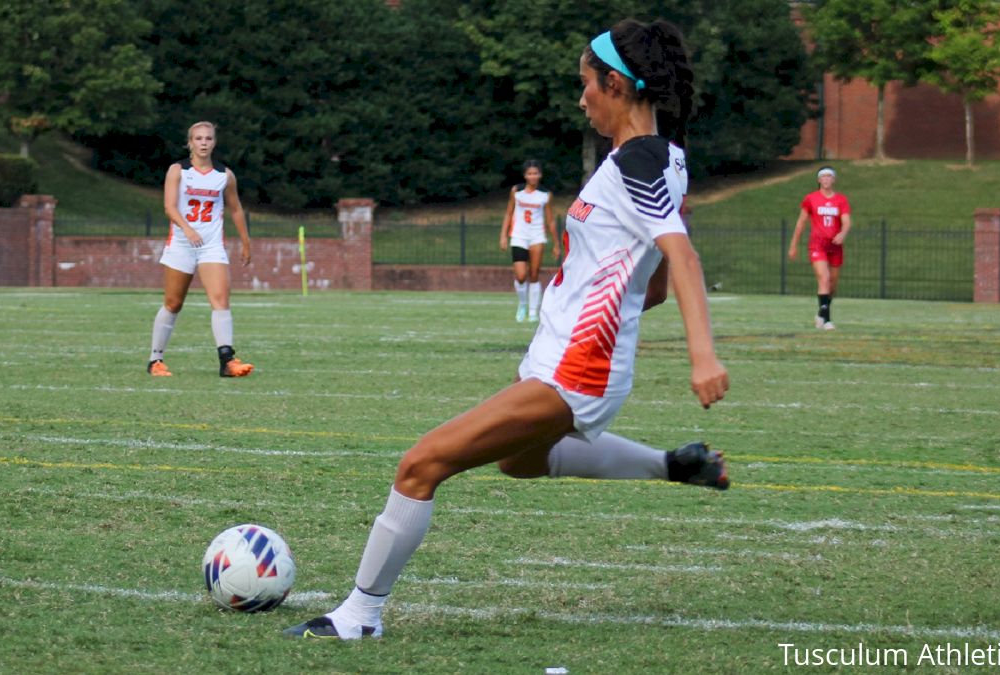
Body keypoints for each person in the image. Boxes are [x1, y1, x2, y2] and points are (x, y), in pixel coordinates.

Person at [285, 18, 729, 641]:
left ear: (617, 85)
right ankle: (671, 465)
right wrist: (616, 313)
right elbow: (650, 281)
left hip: (576, 368)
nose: (581, 99)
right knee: (521, 463)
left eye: (586, 84)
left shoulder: (641, 162)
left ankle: (358, 616)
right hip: (570, 360)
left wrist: (702, 357)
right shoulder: (662, 159)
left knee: (421, 465)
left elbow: (680, 258)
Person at [146, 121, 254, 378]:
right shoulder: (178, 170)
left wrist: (246, 242)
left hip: (211, 246)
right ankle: (155, 360)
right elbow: (169, 207)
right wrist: (188, 228)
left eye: (208, 138)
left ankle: (227, 360)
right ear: (190, 142)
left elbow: (236, 208)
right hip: (182, 244)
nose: (203, 142)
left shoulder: (224, 175)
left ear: (214, 142)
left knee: (221, 301)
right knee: (173, 303)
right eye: (198, 138)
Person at [788, 166, 852, 330]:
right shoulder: (811, 199)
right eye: (823, 176)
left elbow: (846, 221)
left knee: (832, 285)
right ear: (818, 180)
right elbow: (801, 222)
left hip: (835, 247)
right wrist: (793, 245)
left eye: (829, 176)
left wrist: (843, 233)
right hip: (818, 245)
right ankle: (827, 320)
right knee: (823, 279)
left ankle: (821, 313)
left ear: (834, 180)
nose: (826, 179)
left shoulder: (841, 200)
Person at [499, 160, 560, 322]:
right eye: (529, 173)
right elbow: (508, 213)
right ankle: (523, 304)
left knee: (534, 274)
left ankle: (533, 311)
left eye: (535, 173)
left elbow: (551, 220)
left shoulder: (545, 195)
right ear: (525, 175)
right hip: (519, 236)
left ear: (540, 175)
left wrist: (556, 243)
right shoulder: (516, 191)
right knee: (520, 275)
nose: (533, 176)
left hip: (537, 236)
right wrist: (503, 235)